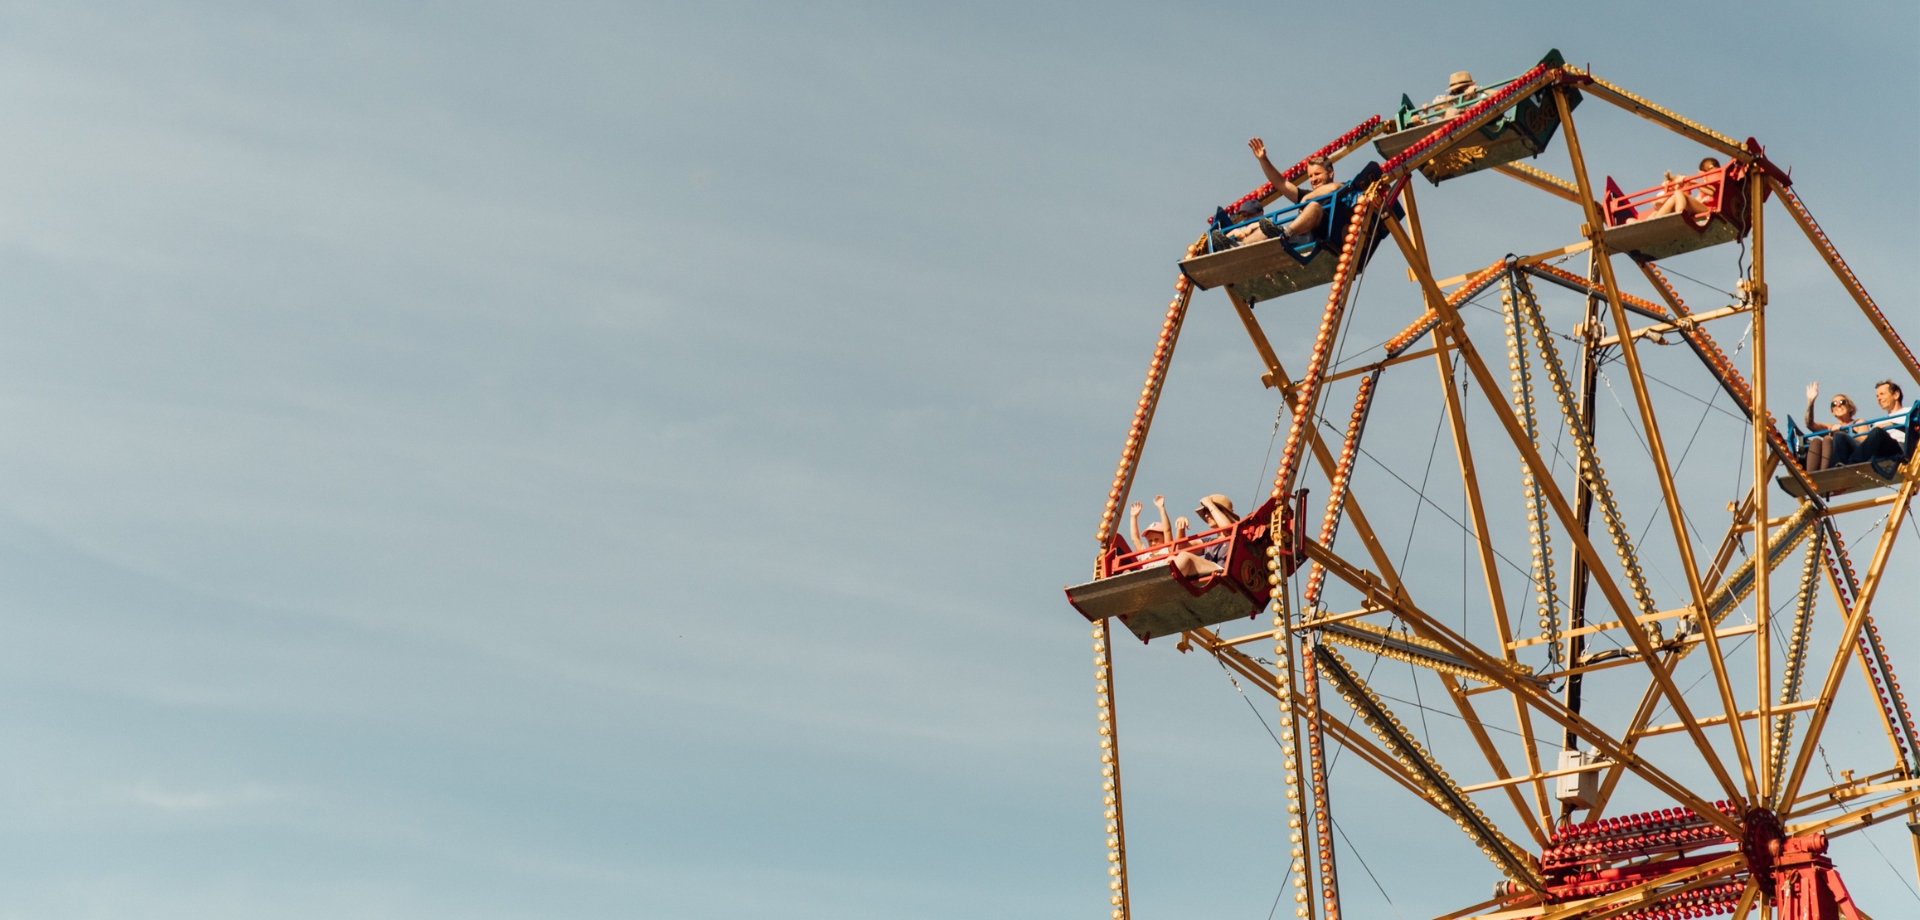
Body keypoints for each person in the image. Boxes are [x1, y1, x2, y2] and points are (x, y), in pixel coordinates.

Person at [1210, 145, 1337, 251]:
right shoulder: (1306, 196)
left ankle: (1285, 233)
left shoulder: (1342, 188)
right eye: (1310, 176)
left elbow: (1333, 187)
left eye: (1317, 174)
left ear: (1330, 173)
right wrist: (1263, 159)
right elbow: (1281, 184)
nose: (1313, 179)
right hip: (1297, 237)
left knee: (1314, 206)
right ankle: (1238, 247)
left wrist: (1307, 198)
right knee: (1267, 227)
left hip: (1319, 237)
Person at [1636, 157, 1723, 224]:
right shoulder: (1706, 183)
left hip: (1708, 210)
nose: (1703, 178)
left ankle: (1678, 216)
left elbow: (1712, 192)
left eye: (1702, 175)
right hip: (1702, 208)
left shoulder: (1714, 175)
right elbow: (1658, 203)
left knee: (1678, 194)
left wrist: (1691, 181)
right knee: (1674, 196)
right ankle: (1654, 222)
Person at [1802, 383, 1862, 471]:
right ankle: (1812, 474)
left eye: (1842, 402)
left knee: (1829, 438)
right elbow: (1809, 424)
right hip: (1833, 459)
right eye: (1834, 404)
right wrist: (1811, 402)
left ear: (1850, 407)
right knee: (1816, 441)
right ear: (1832, 412)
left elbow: (1863, 441)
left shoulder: (1858, 423)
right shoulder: (1831, 427)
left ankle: (1825, 472)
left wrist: (1843, 432)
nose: (1838, 405)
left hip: (1851, 455)